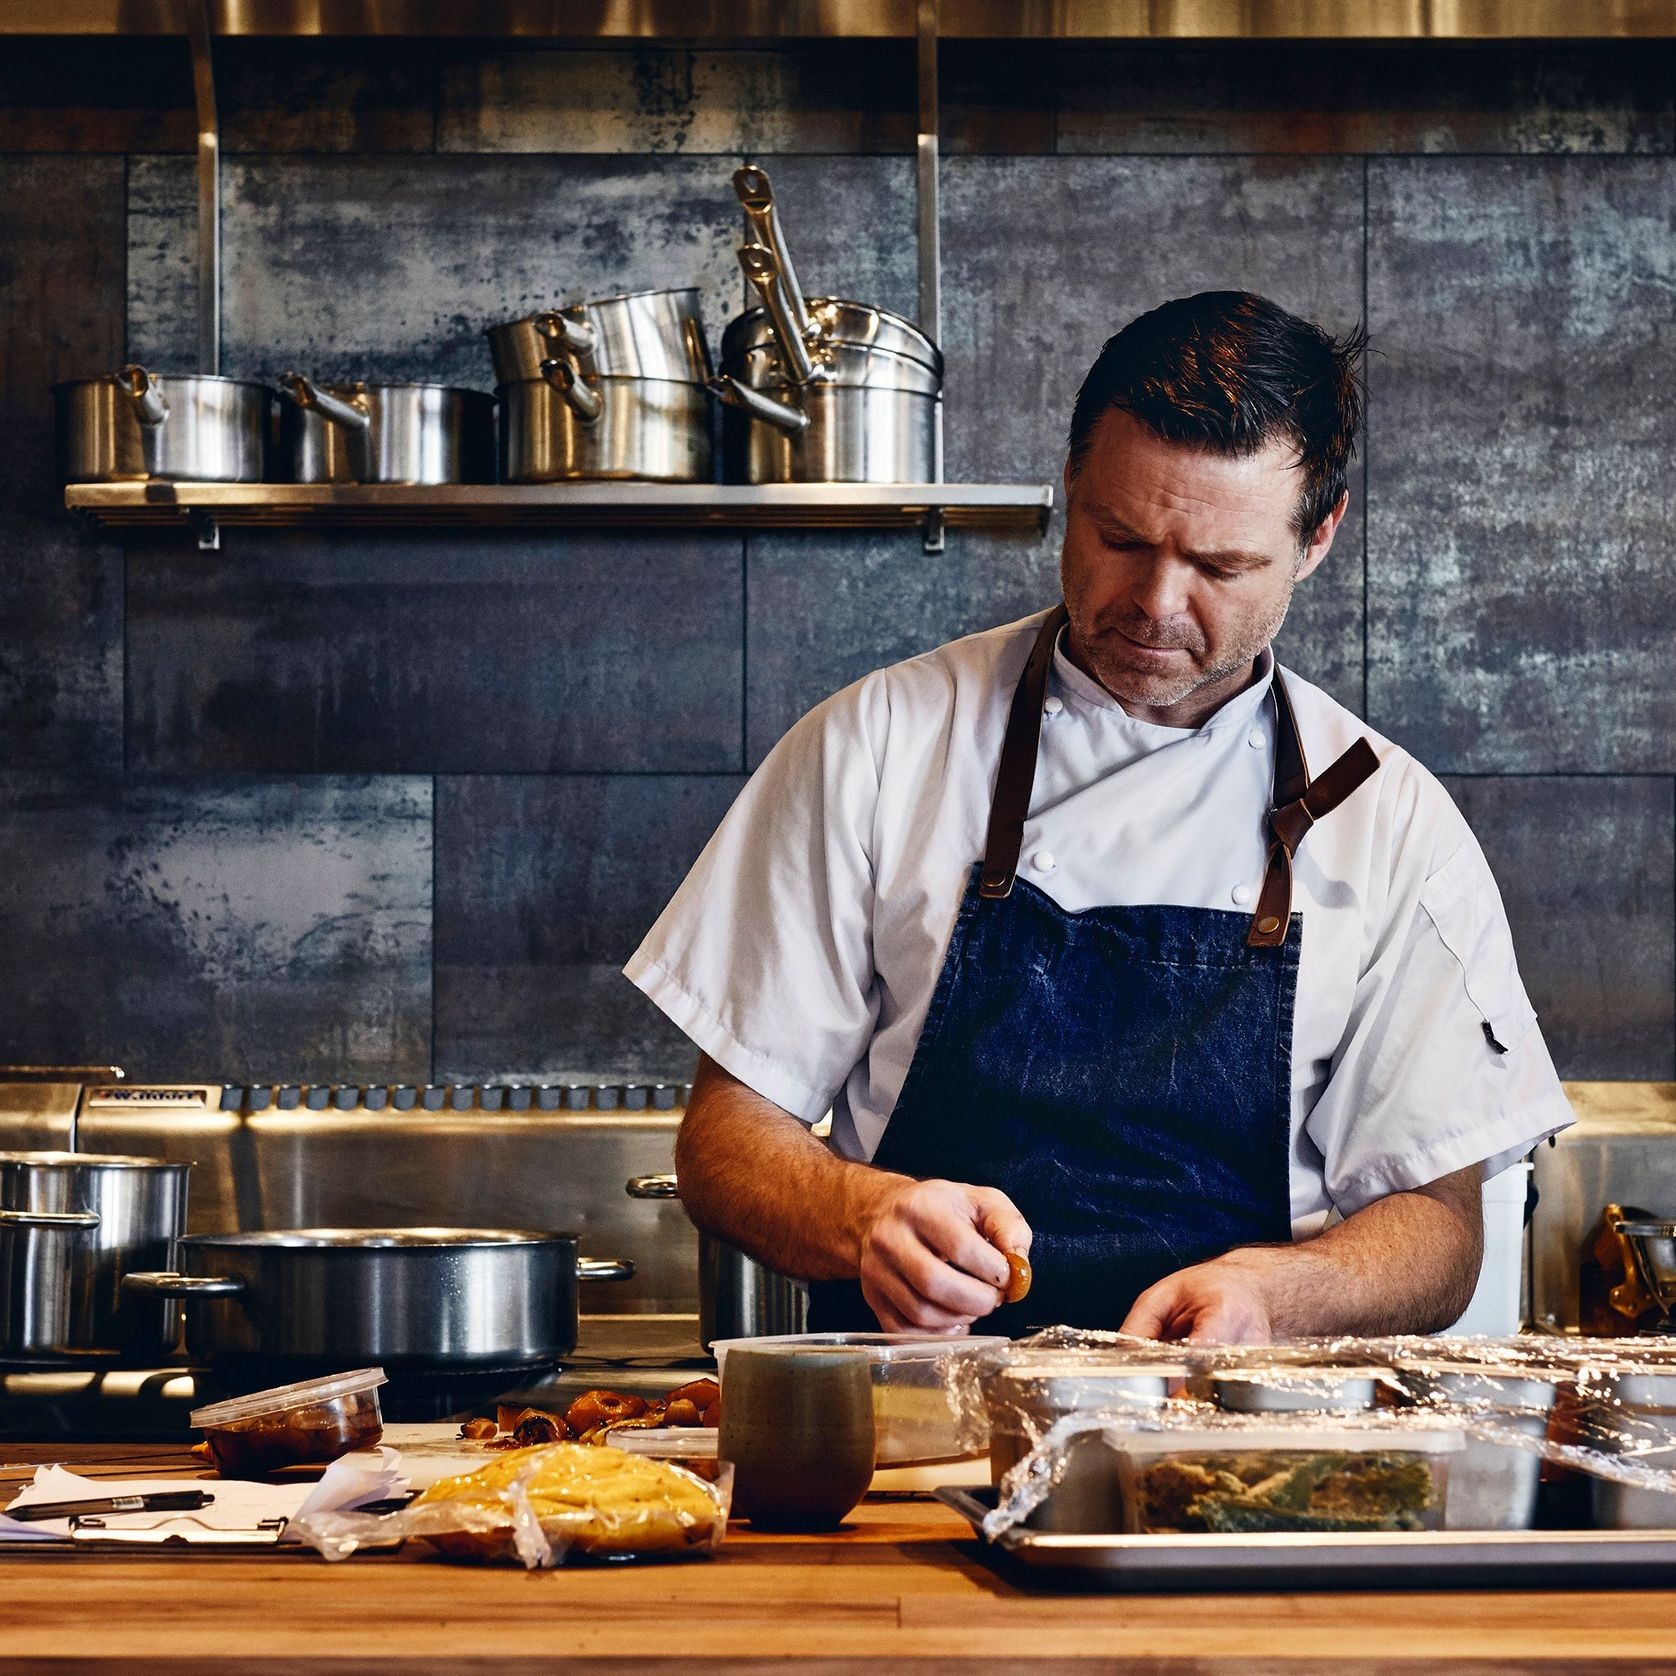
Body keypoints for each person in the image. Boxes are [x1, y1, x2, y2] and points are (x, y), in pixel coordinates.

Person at [625, 290, 1573, 1343]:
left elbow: (1436, 1230)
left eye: (1219, 565)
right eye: (1118, 536)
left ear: (1316, 538)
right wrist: (861, 1215)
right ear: (1070, 482)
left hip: (1229, 1445)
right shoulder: (880, 743)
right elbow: (723, 1138)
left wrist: (1271, 1294)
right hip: (913, 1436)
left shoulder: (1386, 817)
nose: (1155, 602)